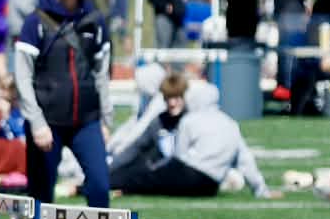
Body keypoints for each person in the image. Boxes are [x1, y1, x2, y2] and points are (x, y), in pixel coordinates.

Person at [15, 0, 112, 209]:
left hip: (87, 121)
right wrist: (37, 123)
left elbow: (102, 73)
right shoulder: (35, 22)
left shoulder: (95, 20)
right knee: (40, 199)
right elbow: (23, 77)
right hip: (47, 123)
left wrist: (106, 119)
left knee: (100, 188)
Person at [109, 72, 271, 198]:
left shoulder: (189, 120)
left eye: (177, 97)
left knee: (141, 178)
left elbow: (178, 159)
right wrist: (260, 189)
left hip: (186, 173)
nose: (172, 103)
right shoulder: (230, 123)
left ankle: (110, 184)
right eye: (168, 98)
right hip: (211, 184)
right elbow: (245, 159)